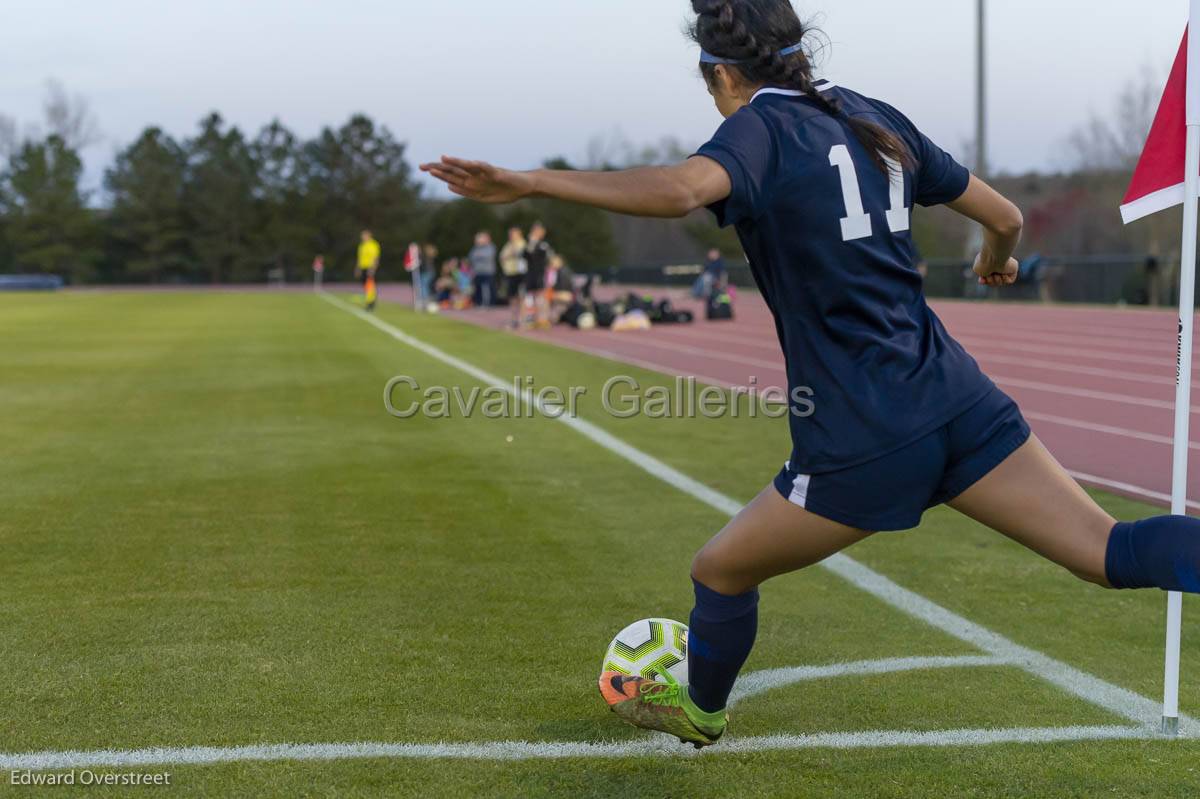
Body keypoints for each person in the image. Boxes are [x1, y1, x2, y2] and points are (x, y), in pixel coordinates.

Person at [420, 0, 1200, 749]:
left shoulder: (761, 130)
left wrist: (533, 182)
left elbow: (682, 190)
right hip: (957, 399)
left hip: (865, 431)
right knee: (1109, 550)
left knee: (719, 569)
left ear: (719, 75)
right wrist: (995, 262)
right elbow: (1005, 216)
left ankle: (702, 710)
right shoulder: (871, 114)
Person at [524, 222, 553, 329]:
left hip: (540, 274)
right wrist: (532, 242)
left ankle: (543, 319)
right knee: (530, 297)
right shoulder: (529, 243)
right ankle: (532, 319)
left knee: (541, 297)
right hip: (530, 273)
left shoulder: (544, 244)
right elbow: (526, 255)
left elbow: (543, 257)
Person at [499, 227, 528, 328]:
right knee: (512, 297)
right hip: (510, 273)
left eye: (513, 234)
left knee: (521, 297)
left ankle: (522, 320)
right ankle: (513, 320)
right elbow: (502, 256)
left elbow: (519, 254)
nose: (511, 236)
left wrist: (511, 252)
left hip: (520, 274)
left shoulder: (522, 243)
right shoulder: (508, 244)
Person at [468, 232, 498, 308]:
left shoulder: (491, 247)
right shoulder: (475, 248)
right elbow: (471, 257)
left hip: (488, 271)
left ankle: (491, 304)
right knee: (478, 288)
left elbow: (488, 256)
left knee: (489, 288)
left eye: (480, 238)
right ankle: (478, 303)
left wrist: (479, 256)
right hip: (477, 271)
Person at [356, 230, 381, 312]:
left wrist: (373, 269)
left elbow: (376, 258)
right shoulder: (362, 245)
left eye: (364, 235)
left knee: (370, 285)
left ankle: (371, 303)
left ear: (369, 235)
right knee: (365, 286)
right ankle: (369, 301)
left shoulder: (373, 244)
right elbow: (359, 258)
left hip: (370, 268)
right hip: (363, 267)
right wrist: (358, 268)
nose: (362, 237)